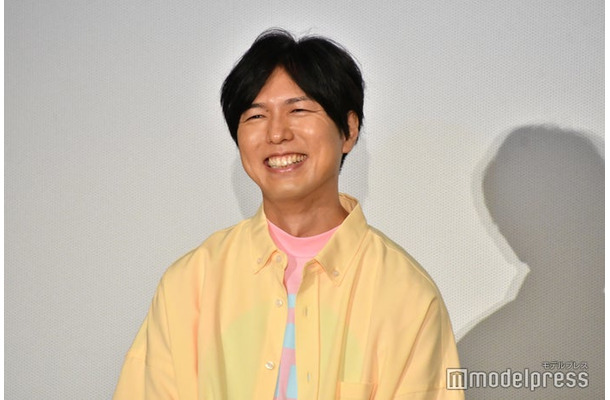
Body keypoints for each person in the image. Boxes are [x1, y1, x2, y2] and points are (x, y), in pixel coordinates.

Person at [114, 28, 463, 400]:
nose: (277, 133)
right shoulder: (191, 283)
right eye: (256, 116)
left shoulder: (406, 295)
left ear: (348, 130)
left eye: (298, 110)